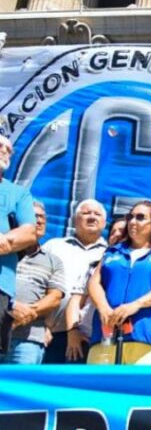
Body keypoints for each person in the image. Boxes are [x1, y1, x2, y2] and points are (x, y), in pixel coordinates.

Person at [87, 201, 151, 364]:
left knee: (139, 380)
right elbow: (94, 282)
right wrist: (103, 307)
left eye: (140, 217)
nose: (132, 221)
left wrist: (136, 305)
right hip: (106, 333)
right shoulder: (112, 252)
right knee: (99, 379)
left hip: (145, 334)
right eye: (130, 217)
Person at [42, 199, 107, 364]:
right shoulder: (53, 246)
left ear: (104, 222)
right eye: (86, 213)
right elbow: (36, 285)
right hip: (48, 333)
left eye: (97, 214)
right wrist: (40, 325)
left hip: (89, 337)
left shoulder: (110, 255)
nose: (92, 217)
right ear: (74, 220)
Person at [5, 202, 64, 364]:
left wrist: (26, 312)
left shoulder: (53, 261)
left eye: (42, 217)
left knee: (21, 381)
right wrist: (10, 307)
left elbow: (55, 297)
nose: (39, 220)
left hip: (28, 340)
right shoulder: (3, 251)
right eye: (33, 216)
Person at [0, 134, 38, 348]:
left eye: (9, 149)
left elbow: (29, 233)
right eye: (0, 145)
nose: (5, 151)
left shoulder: (19, 193)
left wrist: (5, 240)